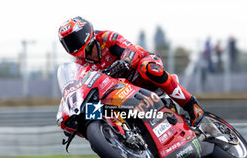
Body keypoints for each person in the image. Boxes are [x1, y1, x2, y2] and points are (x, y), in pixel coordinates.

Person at [58, 16, 204, 126]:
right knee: (95, 106)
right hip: (121, 89)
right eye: (68, 43)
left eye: (74, 39)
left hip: (138, 70)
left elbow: (131, 49)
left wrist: (125, 61)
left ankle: (192, 105)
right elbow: (83, 87)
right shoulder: (80, 65)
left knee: (147, 68)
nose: (73, 45)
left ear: (84, 33)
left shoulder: (106, 37)